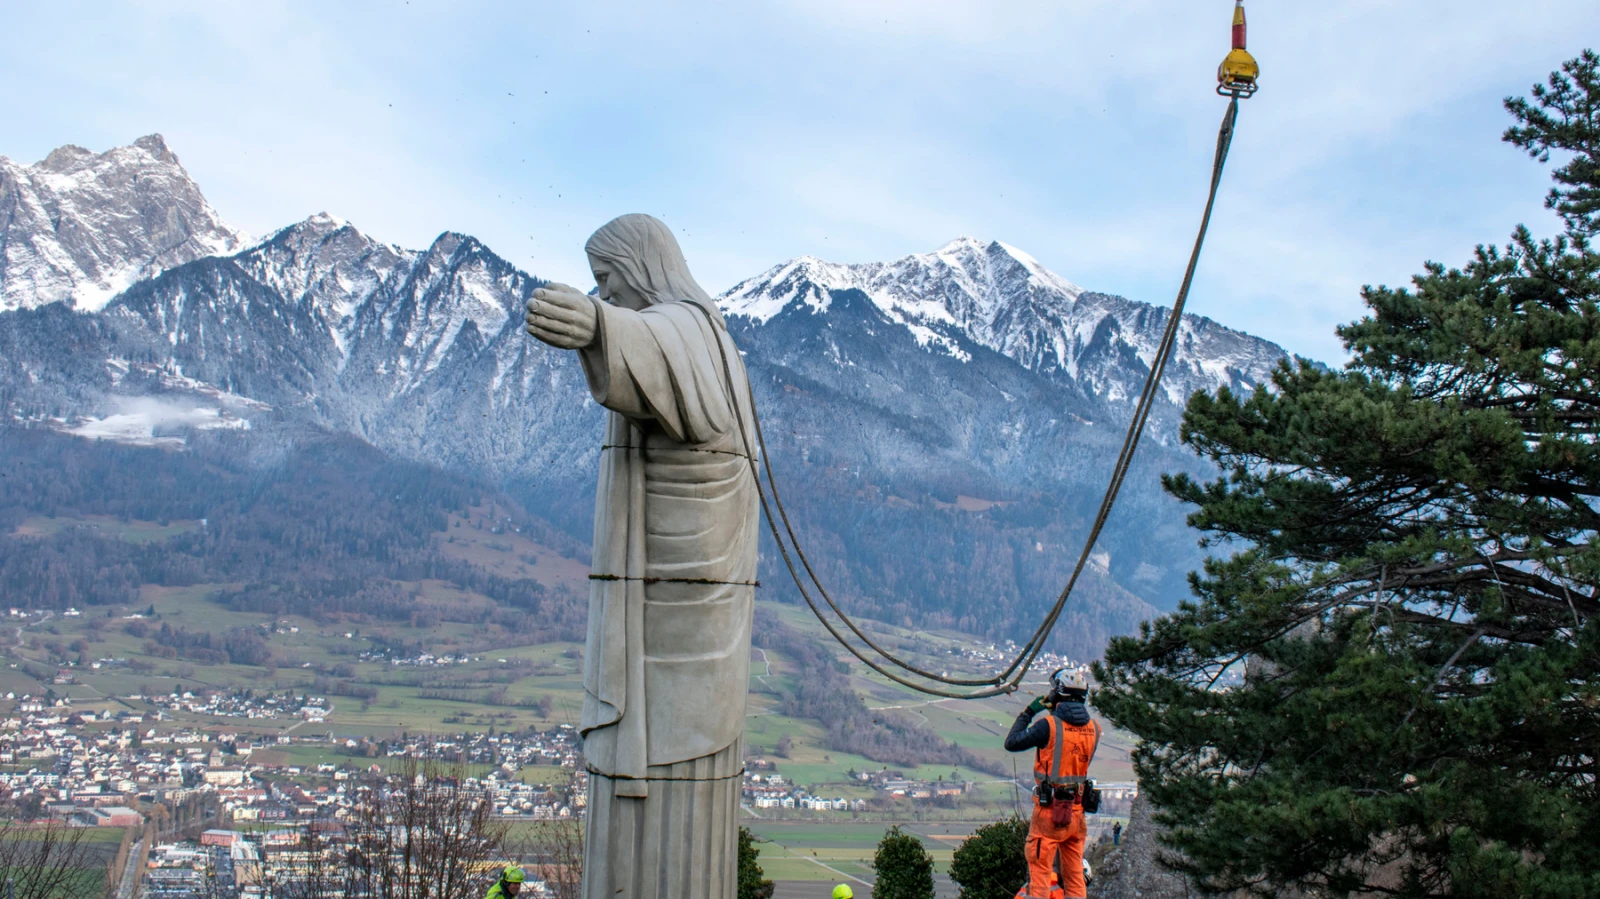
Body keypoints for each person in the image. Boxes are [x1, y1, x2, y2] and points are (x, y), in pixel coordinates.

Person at [524, 214, 759, 899]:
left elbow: (657, 348)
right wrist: (606, 323)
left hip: (678, 617)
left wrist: (599, 325)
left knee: (669, 799)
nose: (606, 292)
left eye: (608, 279)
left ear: (641, 269)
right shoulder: (707, 337)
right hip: (679, 606)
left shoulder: (689, 331)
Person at [1004, 667, 1102, 899]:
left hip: (1049, 812)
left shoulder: (1048, 726)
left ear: (1058, 694)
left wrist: (1030, 712)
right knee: (1075, 876)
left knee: (1040, 873)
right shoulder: (1094, 728)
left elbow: (1012, 742)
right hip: (1077, 813)